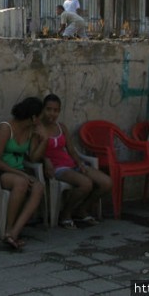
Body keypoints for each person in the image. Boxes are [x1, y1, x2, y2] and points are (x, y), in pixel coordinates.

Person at [31, 94, 111, 228]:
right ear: (43, 110)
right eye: (49, 109)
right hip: (57, 169)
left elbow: (71, 150)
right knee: (86, 184)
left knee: (106, 183)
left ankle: (82, 209)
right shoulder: (37, 129)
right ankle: (66, 214)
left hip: (71, 164)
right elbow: (32, 154)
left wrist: (80, 163)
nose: (52, 113)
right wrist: (45, 160)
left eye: (56, 110)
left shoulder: (61, 127)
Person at [0, 97, 47, 250]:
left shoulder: (31, 131)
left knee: (38, 187)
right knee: (21, 183)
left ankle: (14, 233)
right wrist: (21, 173)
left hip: (16, 172)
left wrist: (44, 140)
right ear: (33, 117)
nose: (41, 121)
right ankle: (8, 228)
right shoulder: (5, 128)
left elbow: (33, 157)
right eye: (40, 117)